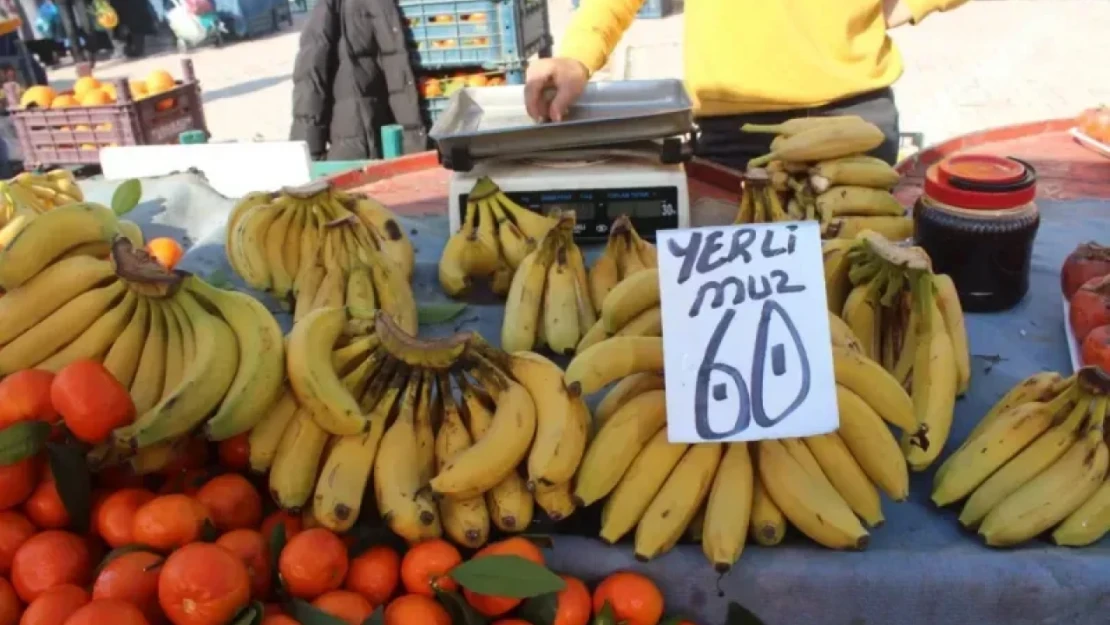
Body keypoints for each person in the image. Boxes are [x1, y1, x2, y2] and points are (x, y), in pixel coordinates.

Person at [525, 0, 970, 169]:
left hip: (853, 122)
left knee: (856, 306)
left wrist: (902, 5)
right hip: (732, 136)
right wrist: (577, 56)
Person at [289, 0, 426, 161]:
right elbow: (311, 76)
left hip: (427, 139)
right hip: (363, 142)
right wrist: (306, 154)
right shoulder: (338, 6)